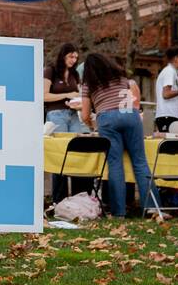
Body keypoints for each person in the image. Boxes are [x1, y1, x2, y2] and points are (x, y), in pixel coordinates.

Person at [79, 53, 156, 220]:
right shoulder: (121, 78)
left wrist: (93, 125)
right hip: (130, 115)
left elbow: (85, 114)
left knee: (115, 164)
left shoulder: (89, 84)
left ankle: (119, 212)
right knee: (140, 162)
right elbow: (133, 100)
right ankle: (152, 207)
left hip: (107, 119)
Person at [44, 43, 86, 202]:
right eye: (71, 56)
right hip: (56, 114)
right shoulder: (51, 71)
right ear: (63, 56)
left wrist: (77, 102)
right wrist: (67, 95)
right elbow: (44, 96)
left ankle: (77, 198)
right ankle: (59, 199)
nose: (74, 60)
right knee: (60, 154)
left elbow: (79, 95)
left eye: (76, 57)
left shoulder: (75, 74)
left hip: (73, 114)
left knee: (76, 152)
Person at [154, 47, 178, 132]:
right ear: (176, 58)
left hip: (171, 115)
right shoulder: (169, 71)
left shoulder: (173, 71)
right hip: (167, 115)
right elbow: (166, 94)